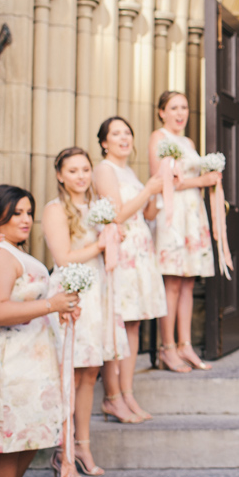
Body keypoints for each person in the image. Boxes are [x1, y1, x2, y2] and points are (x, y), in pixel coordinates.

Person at [0, 185, 80, 477]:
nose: (26, 219)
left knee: (28, 437)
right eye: (16, 213)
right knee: (7, 443)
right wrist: (50, 305)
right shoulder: (0, 253)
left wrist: (59, 309)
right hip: (8, 363)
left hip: (29, 361)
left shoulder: (13, 249)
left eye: (29, 212)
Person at [43, 147, 131, 477]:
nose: (81, 176)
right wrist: (100, 244)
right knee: (68, 374)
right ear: (60, 175)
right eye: (73, 171)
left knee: (88, 374)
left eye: (85, 169)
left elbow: (110, 246)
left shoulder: (99, 207)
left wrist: (115, 235)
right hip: (72, 295)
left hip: (99, 295)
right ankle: (62, 452)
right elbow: (63, 257)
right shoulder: (55, 210)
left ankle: (83, 445)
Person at [93, 117, 166, 424]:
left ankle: (127, 392)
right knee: (118, 324)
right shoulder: (104, 169)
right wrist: (147, 188)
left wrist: (156, 193)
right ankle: (112, 397)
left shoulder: (129, 172)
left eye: (127, 133)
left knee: (133, 325)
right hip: (121, 252)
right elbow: (116, 214)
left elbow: (144, 212)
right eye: (116, 133)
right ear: (104, 142)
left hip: (140, 249)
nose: (124, 138)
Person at [149, 91, 218, 373]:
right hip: (173, 216)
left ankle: (185, 344)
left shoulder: (188, 142)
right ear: (162, 112)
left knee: (189, 282)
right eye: (174, 107)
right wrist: (203, 179)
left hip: (193, 215)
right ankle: (166, 347)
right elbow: (163, 181)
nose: (180, 113)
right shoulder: (159, 137)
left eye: (184, 107)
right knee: (173, 282)